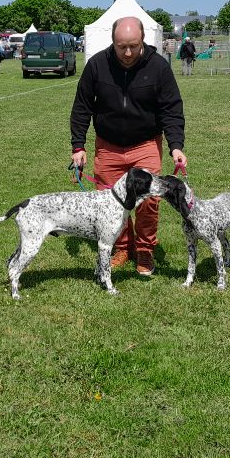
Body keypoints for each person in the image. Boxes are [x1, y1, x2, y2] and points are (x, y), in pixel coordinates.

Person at [70, 16, 186, 276]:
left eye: (133, 45)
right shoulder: (97, 65)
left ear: (143, 39)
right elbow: (81, 107)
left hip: (145, 145)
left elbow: (172, 109)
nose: (128, 52)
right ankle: (122, 247)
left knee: (148, 201)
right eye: (122, 46)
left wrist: (176, 145)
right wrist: (79, 145)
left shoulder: (158, 67)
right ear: (113, 41)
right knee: (112, 202)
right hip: (108, 147)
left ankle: (145, 250)